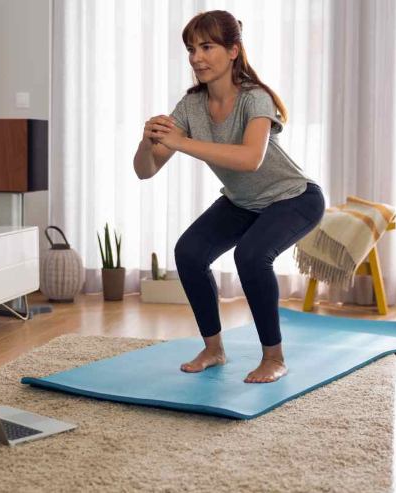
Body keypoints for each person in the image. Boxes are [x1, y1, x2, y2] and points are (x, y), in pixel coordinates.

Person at [132, 10, 325, 383]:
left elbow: (250, 159)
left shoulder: (256, 99)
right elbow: (146, 169)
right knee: (189, 252)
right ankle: (213, 348)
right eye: (191, 49)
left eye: (207, 47)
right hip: (243, 202)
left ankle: (274, 357)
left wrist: (182, 142)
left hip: (294, 198)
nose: (196, 58)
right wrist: (147, 140)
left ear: (233, 50)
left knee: (251, 256)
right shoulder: (190, 106)